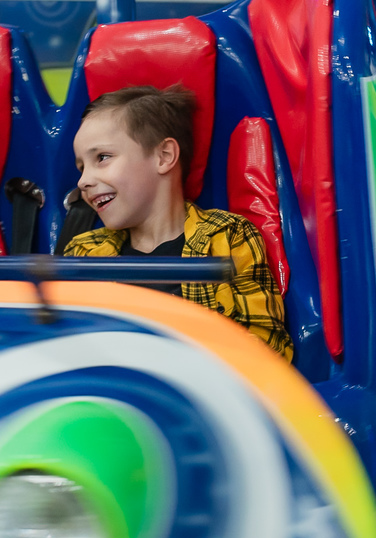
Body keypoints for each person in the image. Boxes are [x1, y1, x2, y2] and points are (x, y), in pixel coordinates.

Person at [64, 85, 293, 360]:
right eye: (81, 167)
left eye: (102, 158)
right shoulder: (83, 253)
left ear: (164, 156)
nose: (83, 181)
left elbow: (268, 351)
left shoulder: (227, 236)